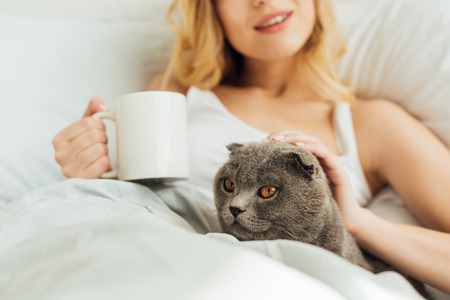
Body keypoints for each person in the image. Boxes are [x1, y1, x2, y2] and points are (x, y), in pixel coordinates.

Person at [52, 0, 450, 293]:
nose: (263, 1)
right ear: (212, 11)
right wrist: (89, 163)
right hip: (156, 262)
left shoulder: (371, 123)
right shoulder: (175, 92)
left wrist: (357, 221)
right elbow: (135, 196)